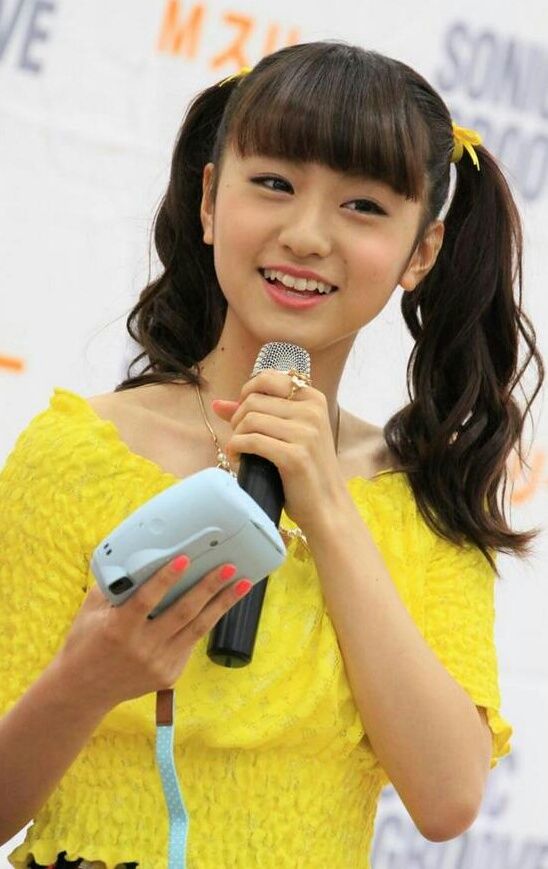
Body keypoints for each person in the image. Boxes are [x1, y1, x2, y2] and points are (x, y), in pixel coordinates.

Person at [0, 40, 544, 869]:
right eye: (275, 184)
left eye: (362, 206)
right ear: (210, 200)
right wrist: (89, 678)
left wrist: (326, 506)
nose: (306, 235)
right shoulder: (79, 455)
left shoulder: (419, 496)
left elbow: (445, 798)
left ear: (421, 252)